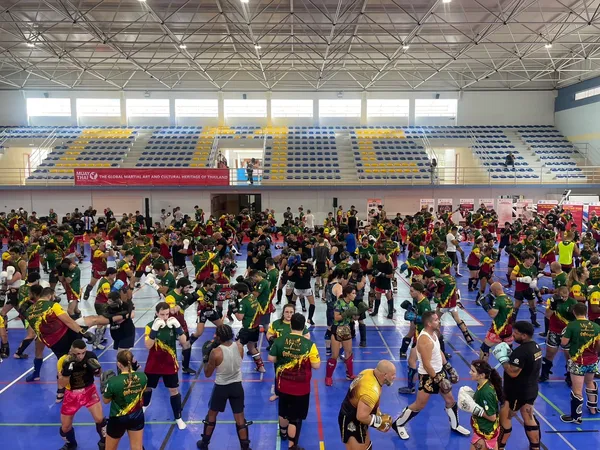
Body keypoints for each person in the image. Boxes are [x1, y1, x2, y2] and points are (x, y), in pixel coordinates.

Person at [392, 311, 469, 440]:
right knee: (419, 405)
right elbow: (427, 365)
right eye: (436, 320)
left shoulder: (435, 333)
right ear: (429, 323)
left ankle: (455, 426)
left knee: (450, 400)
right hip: (428, 377)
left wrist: (449, 368)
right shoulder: (424, 340)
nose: (439, 321)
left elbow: (439, 351)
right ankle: (398, 424)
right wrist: (439, 380)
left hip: (439, 372)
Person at [269, 313, 321, 449]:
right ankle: (292, 445)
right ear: (303, 327)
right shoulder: (309, 345)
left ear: (290, 325)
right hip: (301, 389)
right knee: (295, 418)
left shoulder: (279, 341)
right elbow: (316, 365)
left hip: (282, 385)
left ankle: (283, 433)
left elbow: (271, 358)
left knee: (283, 411)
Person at [197, 324, 252, 449]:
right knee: (240, 418)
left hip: (221, 387)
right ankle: (245, 447)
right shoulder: (239, 346)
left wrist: (205, 358)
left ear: (218, 336)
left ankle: (204, 443)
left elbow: (207, 374)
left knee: (211, 415)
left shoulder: (215, 352)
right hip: (237, 386)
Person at [491, 321, 542, 450]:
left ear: (524, 335)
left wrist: (503, 359)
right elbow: (524, 364)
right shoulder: (535, 346)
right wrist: (511, 355)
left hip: (515, 393)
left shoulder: (522, 351)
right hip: (531, 389)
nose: (513, 335)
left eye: (516, 333)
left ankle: (500, 447)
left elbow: (513, 372)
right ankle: (535, 447)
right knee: (528, 417)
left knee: (505, 419)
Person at [142, 302, 189, 430]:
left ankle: (178, 417)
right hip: (153, 363)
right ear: (156, 313)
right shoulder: (149, 326)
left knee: (173, 390)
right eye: (162, 314)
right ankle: (144, 406)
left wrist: (178, 328)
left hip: (170, 363)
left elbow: (184, 342)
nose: (165, 317)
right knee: (147, 387)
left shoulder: (172, 324)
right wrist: (154, 330)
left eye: (167, 314)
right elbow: (148, 345)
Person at [57, 339, 106, 450]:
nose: (81, 356)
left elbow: (98, 374)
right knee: (65, 427)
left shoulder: (90, 356)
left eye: (83, 352)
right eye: (78, 353)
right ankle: (71, 444)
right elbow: (62, 384)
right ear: (71, 351)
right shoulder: (63, 361)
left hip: (89, 391)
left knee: (100, 420)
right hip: (72, 394)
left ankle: (104, 443)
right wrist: (66, 372)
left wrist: (97, 370)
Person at [337, 360, 397, 450]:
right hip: (351, 419)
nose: (394, 377)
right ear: (385, 375)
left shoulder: (368, 372)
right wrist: (379, 423)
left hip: (356, 411)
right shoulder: (371, 391)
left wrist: (378, 414)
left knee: (367, 446)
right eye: (393, 375)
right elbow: (361, 416)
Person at [560, 302, 600, 424]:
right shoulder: (596, 326)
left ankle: (576, 417)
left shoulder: (572, 326)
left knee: (577, 389)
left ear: (574, 312)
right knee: (590, 382)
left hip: (578, 361)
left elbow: (564, 342)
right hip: (592, 360)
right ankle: (593, 408)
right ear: (586, 312)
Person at [102, 349, 147, 450]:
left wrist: (104, 388)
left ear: (119, 364)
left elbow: (106, 401)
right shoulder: (143, 377)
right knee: (137, 448)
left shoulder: (113, 381)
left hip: (118, 417)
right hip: (137, 415)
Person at [457, 360, 504, 450]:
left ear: (482, 375)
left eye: (473, 371)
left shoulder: (485, 392)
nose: (470, 372)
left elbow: (492, 417)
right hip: (486, 430)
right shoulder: (483, 385)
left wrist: (476, 410)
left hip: (485, 432)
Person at [326, 285, 365, 386]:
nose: (355, 295)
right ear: (347, 294)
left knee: (349, 352)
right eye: (353, 293)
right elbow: (336, 317)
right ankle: (328, 377)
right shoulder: (339, 303)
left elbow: (353, 319)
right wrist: (346, 313)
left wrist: (359, 313)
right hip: (337, 329)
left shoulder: (351, 303)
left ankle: (349, 374)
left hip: (346, 329)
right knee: (335, 355)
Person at [479, 282, 514, 362]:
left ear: (495, 290)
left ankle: (482, 367)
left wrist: (485, 305)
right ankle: (514, 366)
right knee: (509, 350)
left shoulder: (498, 300)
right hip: (508, 329)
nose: (492, 293)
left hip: (498, 329)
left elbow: (492, 314)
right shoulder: (509, 299)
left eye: (492, 291)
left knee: (484, 348)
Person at [369, 250, 395, 319]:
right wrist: (374, 273)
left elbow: (391, 275)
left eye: (379, 254)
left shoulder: (388, 264)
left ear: (383, 255)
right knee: (377, 297)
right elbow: (375, 272)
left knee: (389, 297)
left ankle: (390, 313)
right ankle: (375, 311)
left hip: (386, 284)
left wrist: (382, 275)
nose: (378, 256)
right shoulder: (378, 263)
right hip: (378, 283)